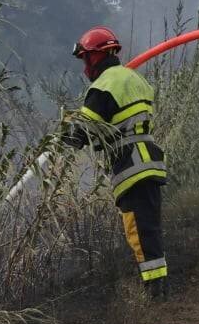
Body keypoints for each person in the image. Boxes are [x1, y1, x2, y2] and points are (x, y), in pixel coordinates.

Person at [63, 26, 168, 298]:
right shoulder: (133, 78)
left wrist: (66, 136)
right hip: (148, 160)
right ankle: (158, 289)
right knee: (148, 229)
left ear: (96, 56)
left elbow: (84, 129)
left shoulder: (104, 85)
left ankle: (155, 295)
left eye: (85, 59)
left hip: (131, 165)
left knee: (139, 231)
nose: (85, 67)